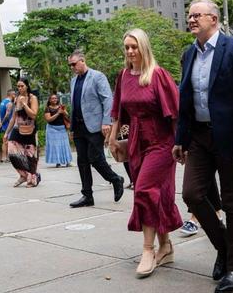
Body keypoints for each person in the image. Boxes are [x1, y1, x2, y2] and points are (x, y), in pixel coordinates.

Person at [174, 0, 233, 293]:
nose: (191, 19)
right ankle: (225, 247)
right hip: (198, 137)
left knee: (231, 200)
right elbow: (185, 101)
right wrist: (180, 139)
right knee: (191, 194)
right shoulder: (188, 55)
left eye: (196, 15)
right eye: (189, 15)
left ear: (213, 18)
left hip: (229, 137)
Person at [108, 29, 182, 278]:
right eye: (127, 47)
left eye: (134, 46)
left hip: (161, 143)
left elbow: (175, 111)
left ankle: (148, 250)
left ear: (144, 47)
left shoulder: (158, 75)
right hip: (137, 142)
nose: (130, 51)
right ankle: (167, 247)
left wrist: (181, 144)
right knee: (154, 196)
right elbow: (119, 111)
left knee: (143, 191)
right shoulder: (123, 76)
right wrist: (113, 139)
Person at [68, 50, 124, 208]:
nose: (72, 67)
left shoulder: (97, 76)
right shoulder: (74, 81)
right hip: (79, 126)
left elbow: (108, 100)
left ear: (82, 60)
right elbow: (75, 105)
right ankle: (87, 195)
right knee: (82, 161)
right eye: (70, 65)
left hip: (95, 125)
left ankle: (115, 179)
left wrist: (107, 122)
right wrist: (72, 127)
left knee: (95, 158)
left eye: (74, 64)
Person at [6, 78, 41, 187]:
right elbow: (13, 117)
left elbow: (33, 115)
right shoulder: (16, 99)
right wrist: (7, 132)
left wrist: (25, 104)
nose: (20, 88)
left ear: (27, 86)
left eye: (22, 86)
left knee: (30, 156)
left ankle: (32, 178)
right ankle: (24, 175)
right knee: (11, 152)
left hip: (30, 129)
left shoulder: (32, 98)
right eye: (18, 86)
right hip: (17, 129)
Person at [44, 94, 72, 167]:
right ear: (50, 100)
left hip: (62, 128)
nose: (54, 100)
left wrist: (64, 112)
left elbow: (67, 116)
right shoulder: (48, 108)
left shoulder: (61, 107)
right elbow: (48, 119)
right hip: (52, 129)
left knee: (65, 145)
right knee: (56, 146)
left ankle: (67, 162)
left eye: (55, 98)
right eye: (52, 98)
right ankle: (58, 162)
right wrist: (58, 113)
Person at [0, 89, 16, 162]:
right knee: (8, 141)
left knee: (5, 141)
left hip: (4, 124)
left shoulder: (2, 102)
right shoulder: (9, 103)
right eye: (14, 94)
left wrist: (0, 122)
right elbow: (7, 114)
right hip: (8, 124)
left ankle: (4, 157)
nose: (15, 96)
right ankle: (6, 157)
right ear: (12, 95)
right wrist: (2, 123)